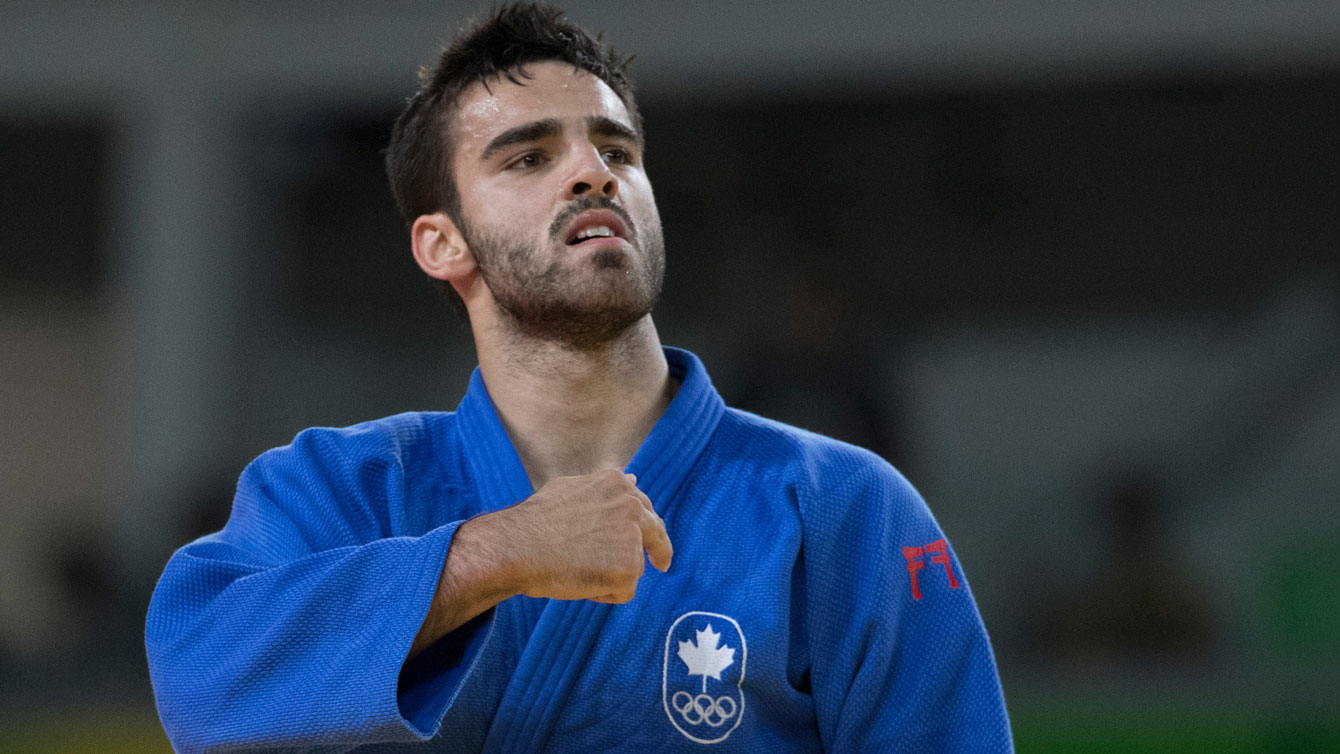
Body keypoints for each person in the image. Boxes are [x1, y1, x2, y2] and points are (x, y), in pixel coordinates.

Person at [145, 4, 1012, 751]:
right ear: (441, 243)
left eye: (617, 151)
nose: (595, 171)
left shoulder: (839, 508)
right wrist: (501, 553)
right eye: (527, 158)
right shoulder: (347, 490)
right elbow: (198, 676)